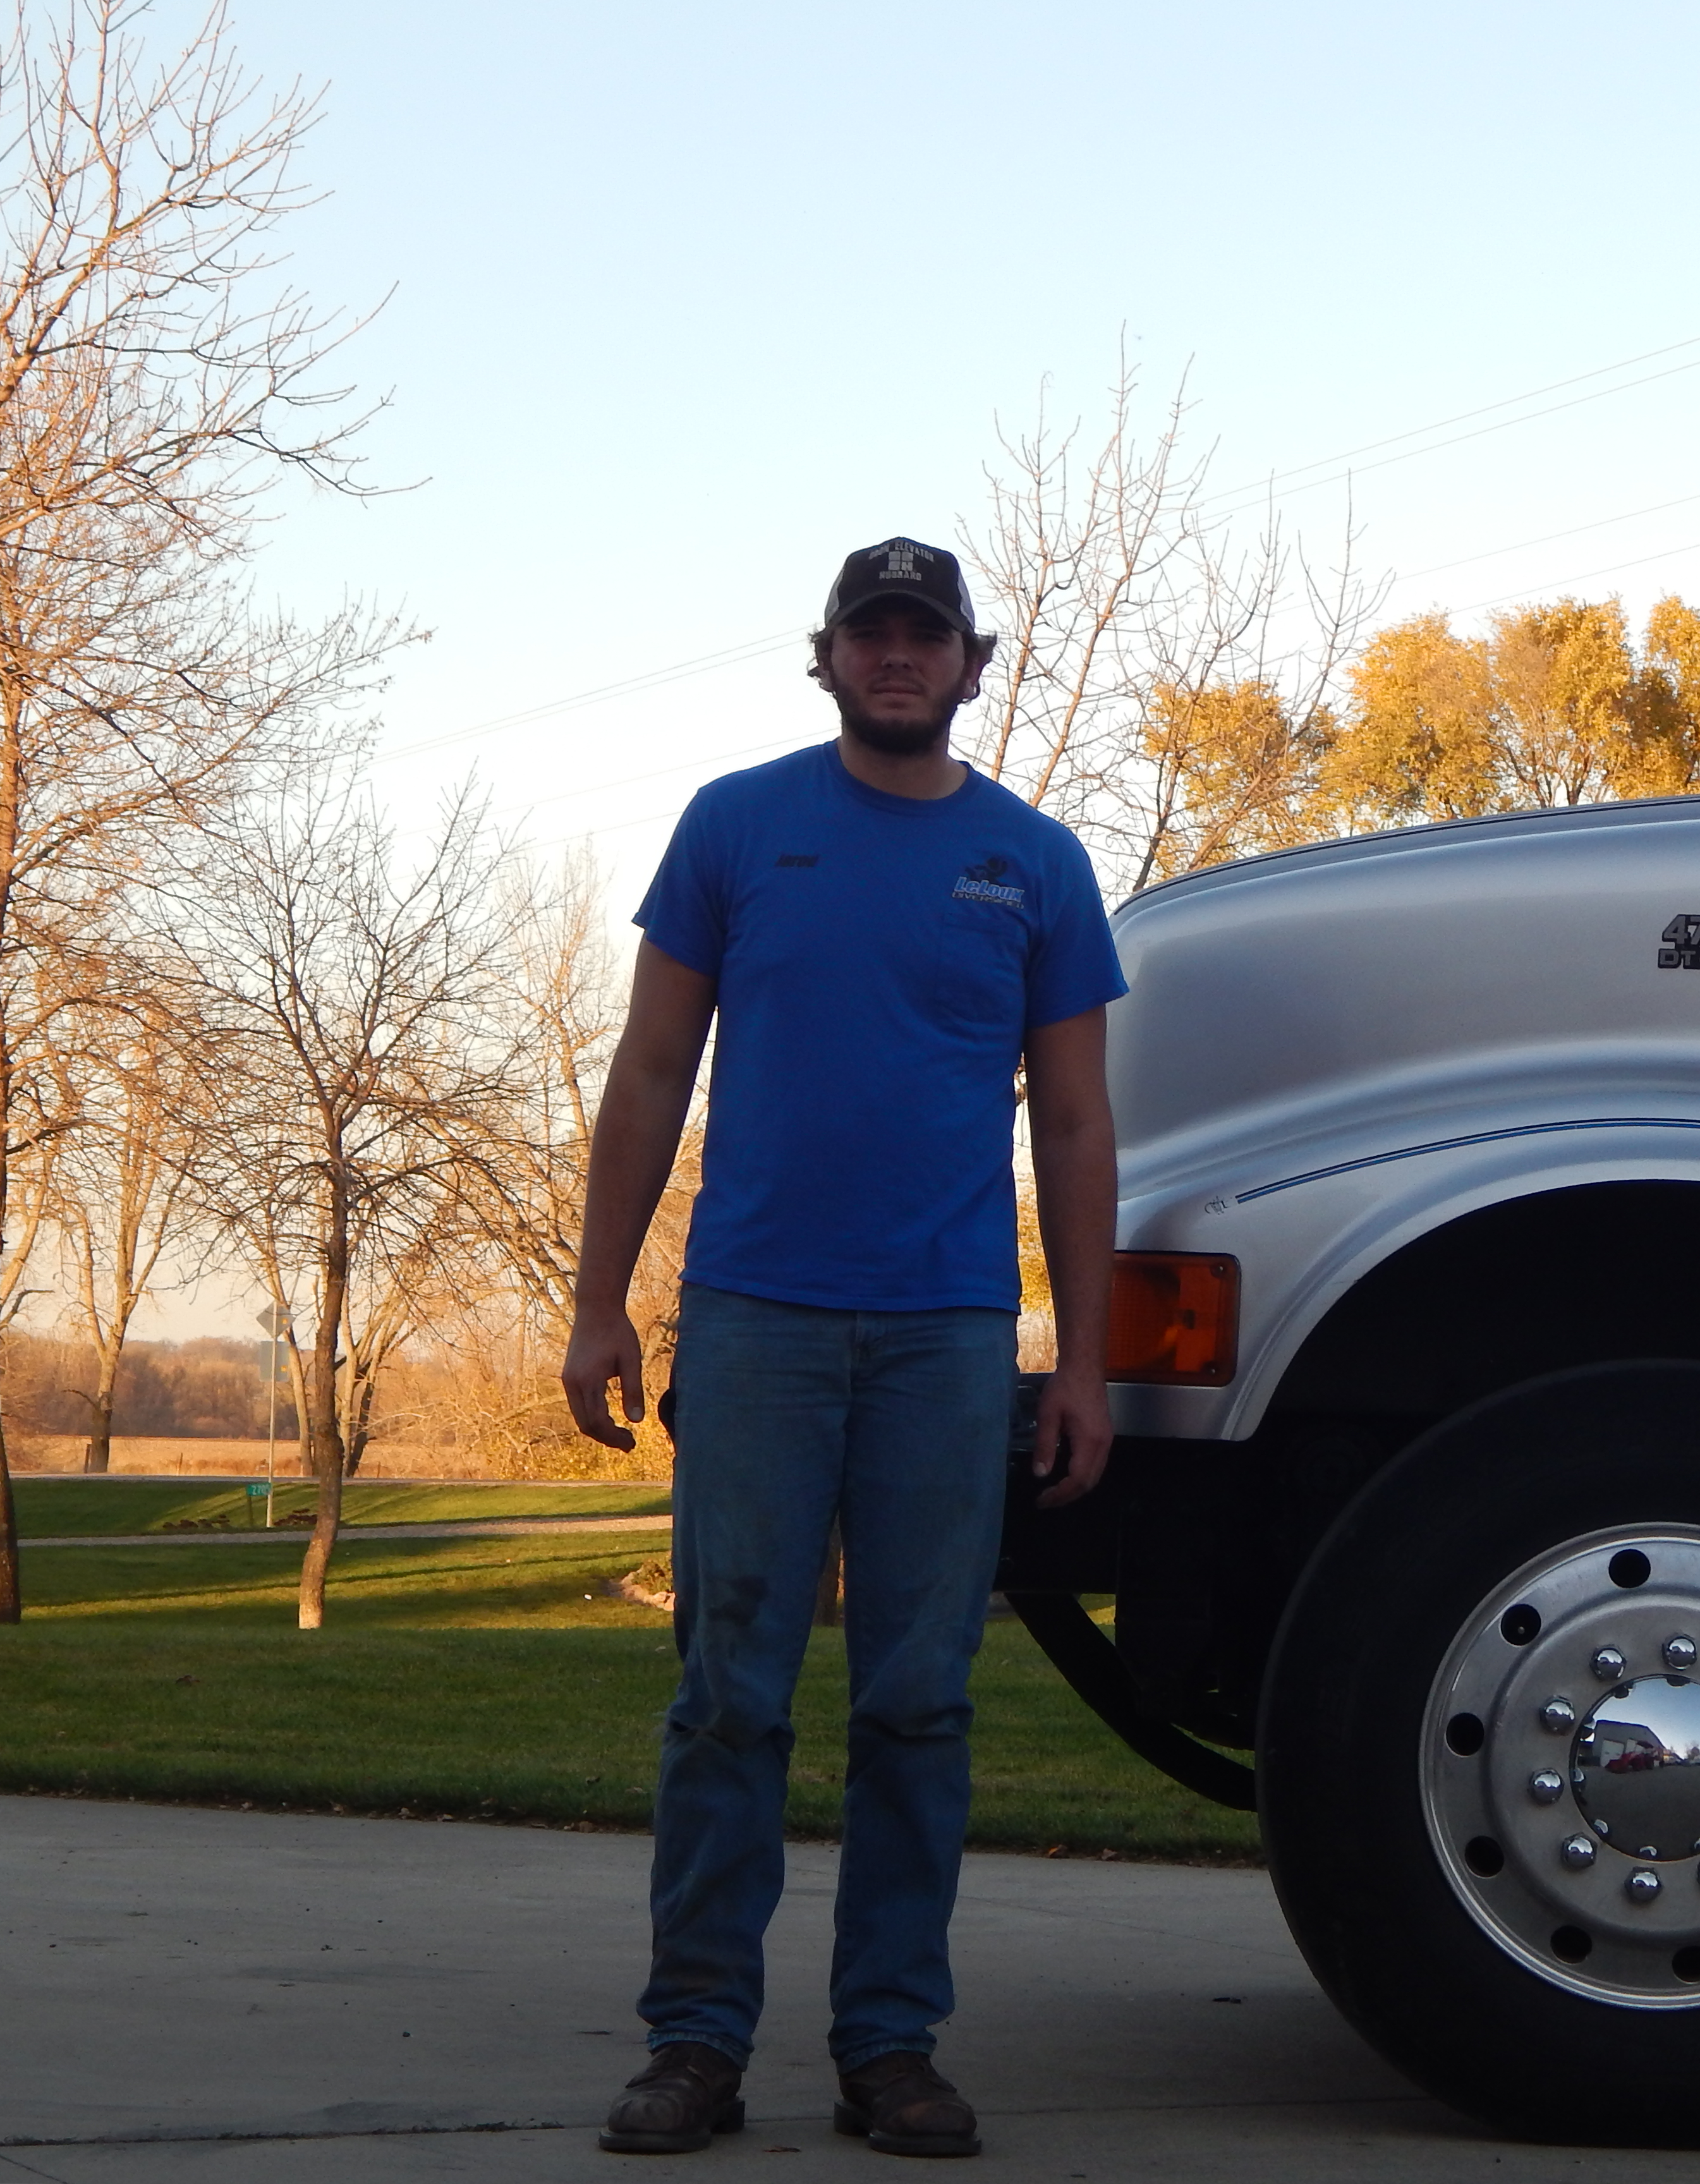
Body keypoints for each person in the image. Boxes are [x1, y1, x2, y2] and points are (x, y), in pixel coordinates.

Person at [561, 537, 1123, 2159]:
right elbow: (653, 1071)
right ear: (825, 658)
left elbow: (1078, 1126)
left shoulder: (1036, 864)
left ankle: (891, 2047)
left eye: (924, 637)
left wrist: (1079, 1363)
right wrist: (602, 1302)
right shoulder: (738, 828)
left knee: (919, 1704)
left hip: (947, 1338)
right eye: (870, 634)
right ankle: (696, 2045)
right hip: (752, 1325)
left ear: (970, 664)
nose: (897, 658)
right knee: (729, 1693)